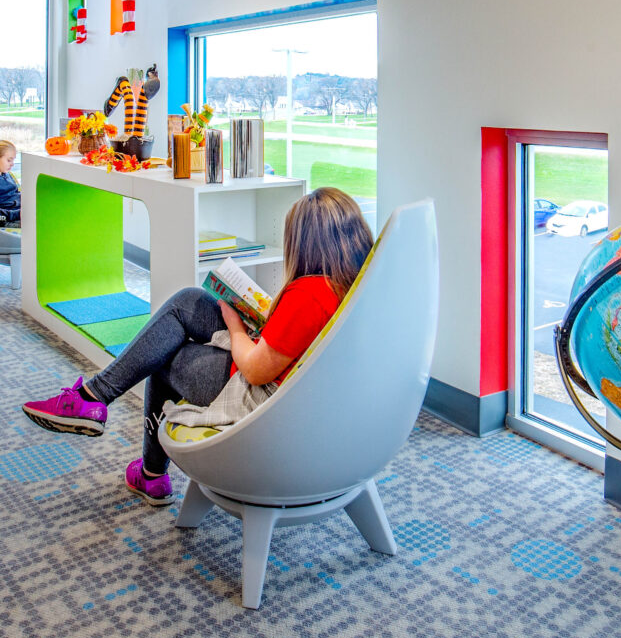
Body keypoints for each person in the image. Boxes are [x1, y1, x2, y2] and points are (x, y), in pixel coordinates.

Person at [22, 187, 373, 506]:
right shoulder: (353, 286)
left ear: (306, 243)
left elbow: (254, 369)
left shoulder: (308, 296)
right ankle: (99, 407)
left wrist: (236, 327)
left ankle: (141, 460)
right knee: (189, 302)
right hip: (299, 388)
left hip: (258, 395)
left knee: (162, 353)